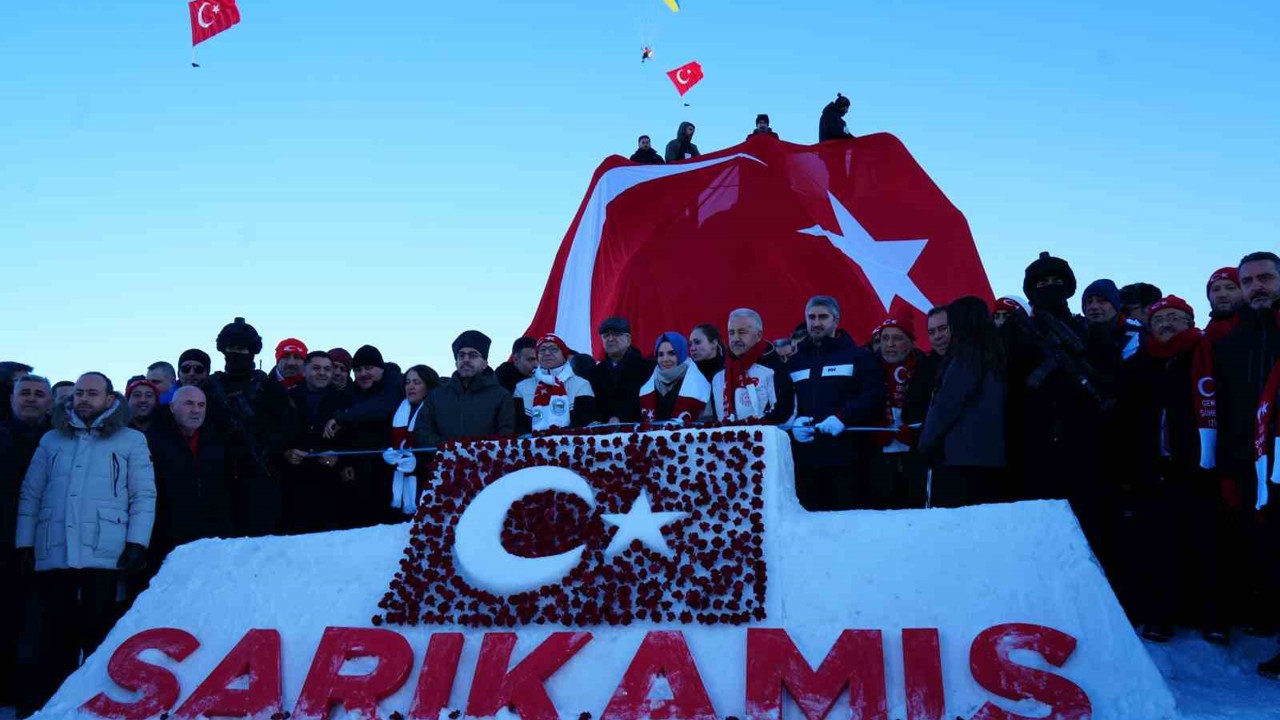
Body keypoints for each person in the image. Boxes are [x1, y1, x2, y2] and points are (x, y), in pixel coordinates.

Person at [15, 372, 155, 714]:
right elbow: (31, 495)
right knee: (52, 636)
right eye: (79, 393)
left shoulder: (131, 440)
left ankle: (96, 707)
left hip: (105, 551)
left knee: (98, 634)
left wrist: (137, 542)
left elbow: (142, 495)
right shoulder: (52, 440)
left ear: (109, 399)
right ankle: (50, 707)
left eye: (92, 393)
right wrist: (24, 544)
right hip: (54, 550)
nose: (83, 399)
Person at [1121, 296, 1221, 644]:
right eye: (1159, 319)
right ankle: (1160, 615)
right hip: (1155, 468)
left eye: (1175, 317)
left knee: (1206, 544)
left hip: (1201, 466)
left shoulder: (1207, 354)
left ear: (1189, 321)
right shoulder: (1140, 364)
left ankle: (1211, 616)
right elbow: (1125, 417)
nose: (1166, 324)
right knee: (1158, 545)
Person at [788, 296, 885, 510]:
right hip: (807, 462)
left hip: (849, 460)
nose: (816, 323)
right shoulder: (795, 362)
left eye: (823, 317)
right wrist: (794, 422)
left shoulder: (858, 357)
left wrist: (843, 418)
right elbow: (786, 401)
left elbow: (873, 395)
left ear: (836, 320)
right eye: (811, 317)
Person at [205, 317, 290, 537]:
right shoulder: (212, 387)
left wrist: (267, 448)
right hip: (221, 477)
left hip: (261, 477)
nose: (236, 353)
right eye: (231, 348)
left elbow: (287, 428)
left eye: (242, 349)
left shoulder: (269, 387)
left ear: (252, 352)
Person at [918, 297, 1007, 507]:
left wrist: (926, 442)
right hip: (993, 458)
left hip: (961, 458)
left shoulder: (966, 356)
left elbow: (947, 404)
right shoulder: (996, 353)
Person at [144, 386, 234, 567]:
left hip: (210, 536)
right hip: (165, 536)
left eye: (201, 405)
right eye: (189, 404)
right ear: (172, 407)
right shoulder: (151, 440)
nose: (196, 410)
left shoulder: (218, 440)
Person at [324, 345, 404, 528]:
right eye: (358, 370)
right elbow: (349, 435)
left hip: (392, 471)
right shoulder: (354, 393)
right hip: (361, 471)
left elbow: (382, 408)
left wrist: (343, 417)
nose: (363, 374)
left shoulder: (395, 385)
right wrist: (347, 462)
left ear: (381, 368)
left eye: (368, 368)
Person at [281, 351, 348, 533]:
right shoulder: (287, 397)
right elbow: (274, 434)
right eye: (316, 368)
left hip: (330, 485)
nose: (322, 373)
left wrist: (338, 456)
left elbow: (352, 437)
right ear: (304, 370)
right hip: (293, 484)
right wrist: (286, 453)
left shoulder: (343, 400)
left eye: (327, 369)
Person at [870, 311, 929, 509]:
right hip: (879, 458)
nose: (890, 344)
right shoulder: (869, 368)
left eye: (897, 338)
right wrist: (874, 431)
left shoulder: (926, 367)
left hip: (915, 457)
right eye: (885, 338)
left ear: (911, 342)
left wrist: (917, 434)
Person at [415, 331, 515, 449]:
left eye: (473, 355)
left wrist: (477, 451)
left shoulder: (501, 396)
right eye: (461, 355)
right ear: (456, 362)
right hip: (444, 458)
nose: (466, 359)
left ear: (484, 363)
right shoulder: (436, 396)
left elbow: (505, 435)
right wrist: (450, 450)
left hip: (486, 459)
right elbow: (423, 431)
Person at [711, 309, 794, 424]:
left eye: (742, 332)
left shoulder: (774, 369)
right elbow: (717, 418)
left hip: (767, 435)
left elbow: (785, 413)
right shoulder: (718, 375)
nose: (735, 338)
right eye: (731, 333)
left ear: (758, 335)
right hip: (727, 435)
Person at [383, 364, 439, 517]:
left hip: (426, 482)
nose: (411, 387)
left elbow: (438, 447)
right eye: (407, 382)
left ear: (429, 385)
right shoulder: (398, 410)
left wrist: (417, 462)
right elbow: (389, 439)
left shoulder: (436, 411)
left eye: (417, 382)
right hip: (397, 477)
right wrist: (389, 454)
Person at [514, 334, 597, 433]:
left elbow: (583, 422)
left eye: (553, 349)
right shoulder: (522, 387)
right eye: (542, 350)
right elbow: (519, 425)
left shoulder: (581, 384)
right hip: (531, 441)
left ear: (564, 355)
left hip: (571, 441)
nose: (547, 353)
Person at [589, 317, 655, 424]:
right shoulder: (595, 373)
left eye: (616, 334)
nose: (610, 339)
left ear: (628, 340)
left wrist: (621, 418)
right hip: (603, 431)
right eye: (606, 336)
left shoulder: (648, 368)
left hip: (639, 428)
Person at [638, 333, 711, 423]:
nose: (665, 359)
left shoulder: (700, 386)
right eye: (660, 354)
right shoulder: (647, 387)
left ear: (681, 353)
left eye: (671, 353)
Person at [1205, 267, 1244, 343]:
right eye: (1216, 289)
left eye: (1230, 288)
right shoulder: (1200, 340)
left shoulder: (1261, 327)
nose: (1222, 295)